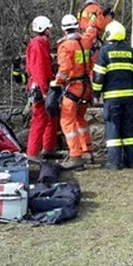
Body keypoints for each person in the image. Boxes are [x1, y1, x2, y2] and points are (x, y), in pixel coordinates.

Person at [92, 21, 133, 170]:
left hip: (112, 99)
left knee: (113, 129)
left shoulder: (105, 52)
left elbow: (99, 77)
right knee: (128, 131)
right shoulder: (132, 52)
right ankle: (130, 161)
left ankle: (114, 163)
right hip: (129, 98)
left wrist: (96, 94)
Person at [50, 15, 98, 171]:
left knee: (67, 121)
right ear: (77, 26)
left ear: (63, 29)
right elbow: (91, 32)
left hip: (74, 87)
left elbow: (64, 69)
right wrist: (93, 20)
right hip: (87, 87)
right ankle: (87, 151)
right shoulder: (85, 41)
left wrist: (57, 82)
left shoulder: (65, 46)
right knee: (80, 119)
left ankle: (75, 155)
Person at [25, 16, 58, 163]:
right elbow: (39, 69)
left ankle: (48, 148)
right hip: (41, 87)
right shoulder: (38, 45)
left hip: (43, 85)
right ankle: (32, 153)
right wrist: (45, 91)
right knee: (39, 119)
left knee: (51, 117)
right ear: (45, 30)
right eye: (49, 28)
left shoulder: (40, 43)